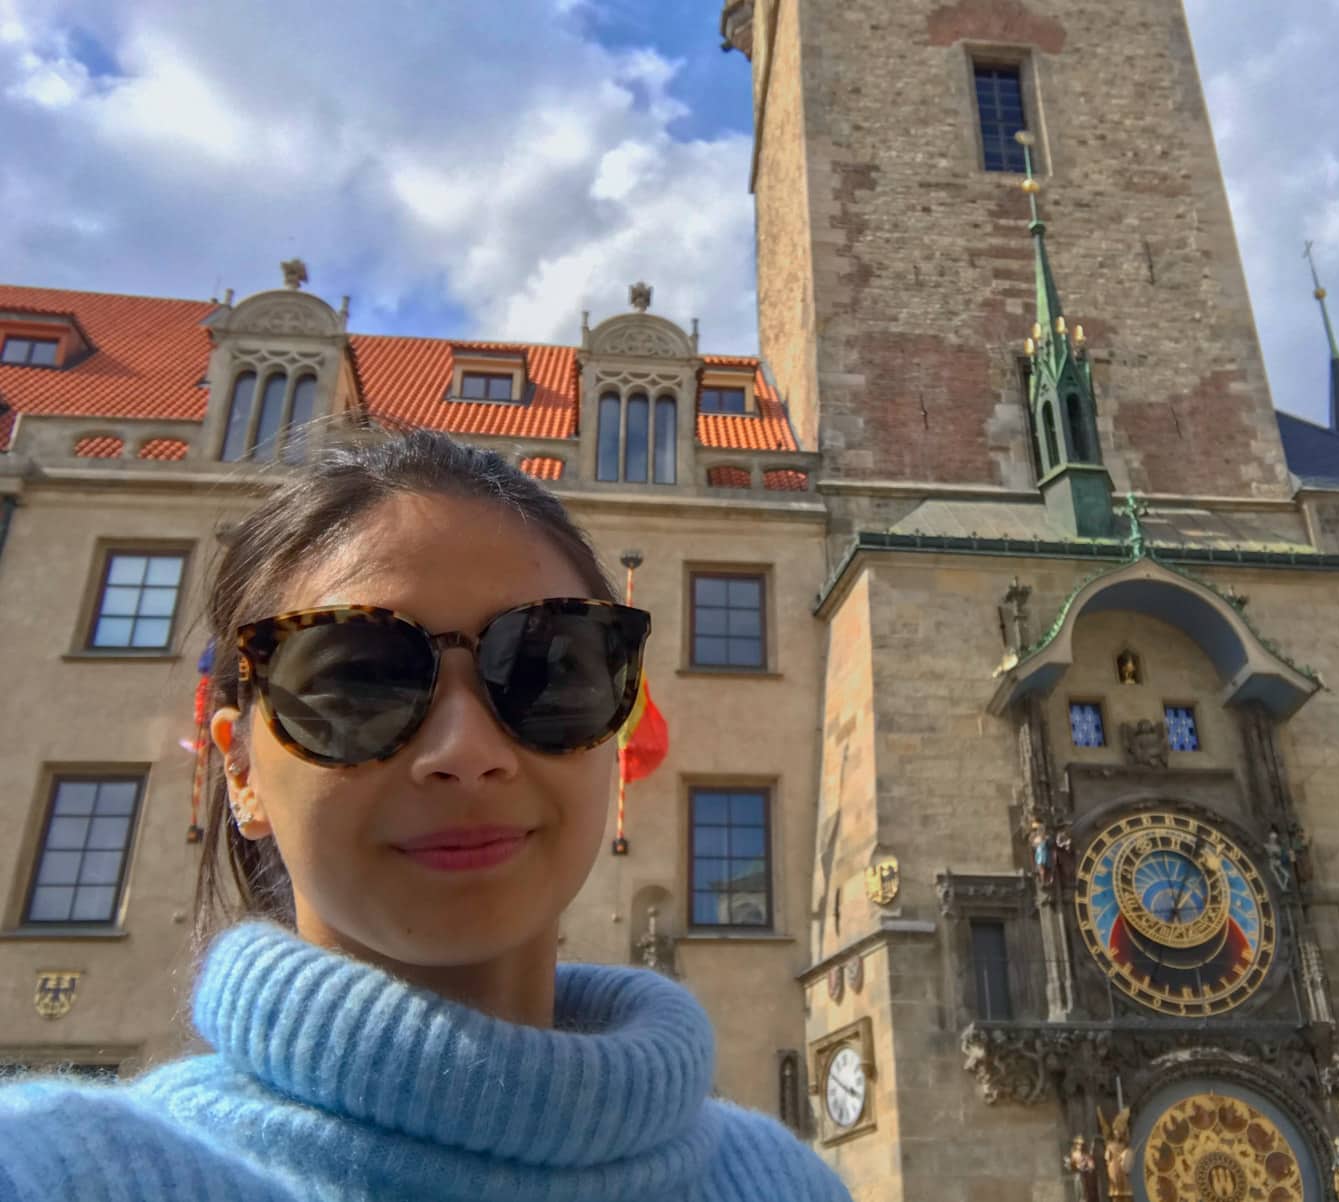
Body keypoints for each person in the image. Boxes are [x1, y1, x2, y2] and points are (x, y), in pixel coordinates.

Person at [0, 431, 850, 1202]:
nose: (465, 748)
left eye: (549, 669)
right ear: (240, 769)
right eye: (357, 679)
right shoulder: (65, 1169)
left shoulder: (784, 1183)